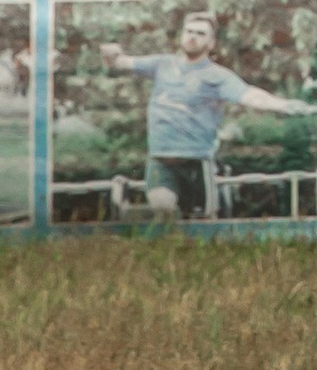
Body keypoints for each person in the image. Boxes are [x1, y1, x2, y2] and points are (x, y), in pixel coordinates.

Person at [100, 11, 304, 222]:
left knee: (204, 221)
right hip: (161, 160)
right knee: (162, 212)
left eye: (200, 34)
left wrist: (283, 104)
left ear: (211, 43)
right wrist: (110, 55)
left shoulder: (218, 76)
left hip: (196, 162)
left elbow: (250, 96)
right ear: (181, 35)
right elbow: (119, 64)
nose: (193, 37)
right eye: (189, 32)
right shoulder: (161, 64)